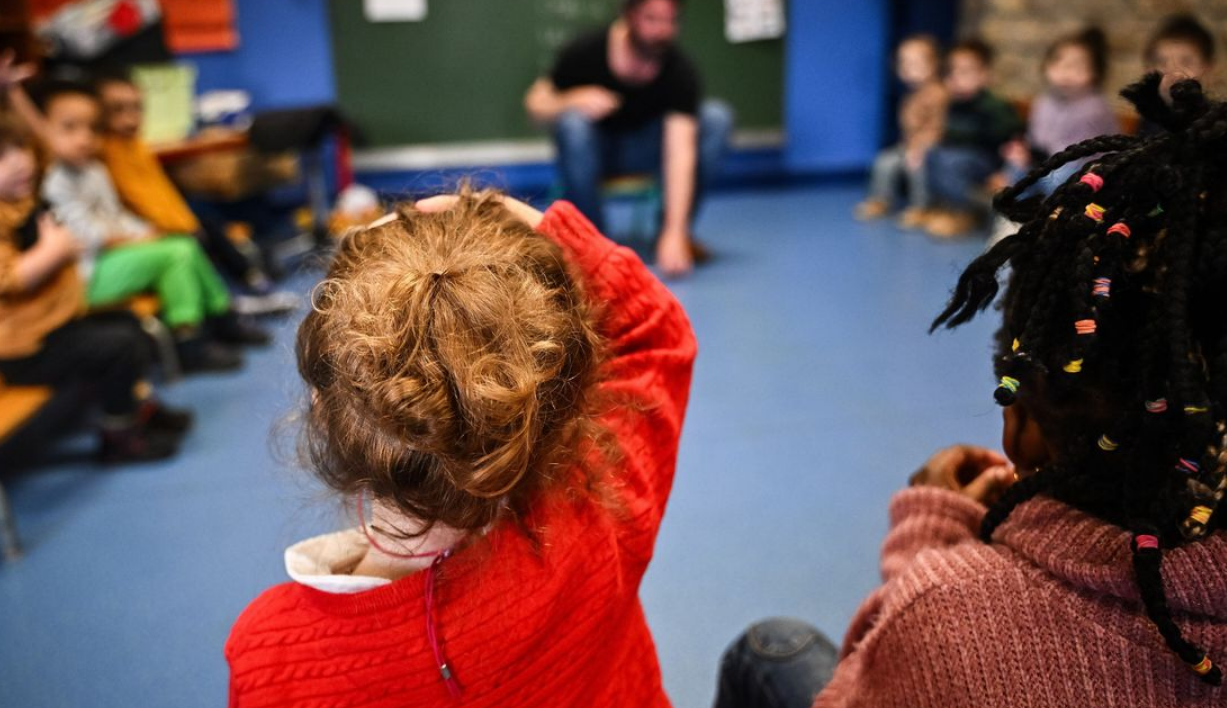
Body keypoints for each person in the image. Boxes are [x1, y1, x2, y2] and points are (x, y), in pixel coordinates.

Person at [716, 73, 1227, 707]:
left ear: (1022, 432)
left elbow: (855, 691)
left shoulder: (949, 612)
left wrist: (926, 536)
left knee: (770, 647)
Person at [226, 191, 696, 706]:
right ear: (553, 407)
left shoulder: (269, 657)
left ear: (322, 406)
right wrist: (532, 218)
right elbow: (655, 332)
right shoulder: (598, 511)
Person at [2, 69, 269, 373]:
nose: (84, 138)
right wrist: (13, 93)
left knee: (183, 243)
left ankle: (222, 317)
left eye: (92, 129)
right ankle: (188, 341)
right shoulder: (51, 178)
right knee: (176, 253)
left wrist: (146, 232)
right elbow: (86, 235)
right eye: (69, 128)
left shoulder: (94, 170)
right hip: (86, 272)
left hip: (111, 259)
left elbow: (117, 216)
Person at [0, 113, 190, 463]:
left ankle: (140, 409)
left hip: (59, 321)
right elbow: (9, 277)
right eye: (2, 156)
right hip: (23, 349)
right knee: (116, 347)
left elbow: (47, 145)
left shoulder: (23, 199)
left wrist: (12, 96)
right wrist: (52, 251)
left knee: (131, 326)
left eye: (19, 149)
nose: (18, 162)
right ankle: (118, 438)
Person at [524, 0, 734, 277]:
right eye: (652, 19)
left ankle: (671, 235)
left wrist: (674, 232)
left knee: (715, 118)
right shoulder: (586, 51)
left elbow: (680, 152)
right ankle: (592, 245)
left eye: (671, 21)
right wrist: (571, 99)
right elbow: (534, 105)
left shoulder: (679, 69)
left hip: (648, 152)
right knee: (573, 122)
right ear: (629, 15)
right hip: (593, 154)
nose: (663, 30)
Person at [94, 70, 297, 314]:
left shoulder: (135, 146)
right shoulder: (106, 153)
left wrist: (186, 223)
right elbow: (139, 201)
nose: (130, 119)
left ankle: (252, 282)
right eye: (117, 110)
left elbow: (162, 195)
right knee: (196, 237)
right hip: (143, 231)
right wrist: (181, 226)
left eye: (137, 108)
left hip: (168, 223)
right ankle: (232, 301)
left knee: (208, 223)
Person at [922, 38, 1022, 238]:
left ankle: (967, 212)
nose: (956, 78)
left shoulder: (993, 107)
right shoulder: (953, 105)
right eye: (951, 71)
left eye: (965, 72)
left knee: (951, 161)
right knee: (933, 154)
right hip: (959, 159)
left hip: (987, 162)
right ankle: (949, 207)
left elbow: (1014, 142)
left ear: (985, 75)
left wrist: (1004, 173)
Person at [855, 35, 946, 228]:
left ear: (933, 65)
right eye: (903, 63)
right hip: (908, 145)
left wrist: (920, 148)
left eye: (915, 64)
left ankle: (921, 207)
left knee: (917, 166)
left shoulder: (938, 94)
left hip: (930, 147)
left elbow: (938, 128)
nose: (907, 69)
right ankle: (881, 199)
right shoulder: (911, 95)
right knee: (885, 161)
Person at [1139, 14, 1218, 137]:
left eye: (1186, 62)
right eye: (1161, 61)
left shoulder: (1214, 124)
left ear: (1208, 69)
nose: (1173, 71)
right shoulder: (1151, 116)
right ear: (1147, 69)